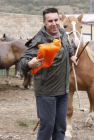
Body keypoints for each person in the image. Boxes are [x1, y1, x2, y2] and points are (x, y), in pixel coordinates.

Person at [19, 8, 77, 140]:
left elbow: (66, 46)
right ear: (44, 22)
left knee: (60, 126)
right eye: (50, 21)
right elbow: (22, 61)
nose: (54, 23)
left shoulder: (62, 32)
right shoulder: (39, 40)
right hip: (46, 92)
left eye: (56, 20)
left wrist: (71, 55)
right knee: (48, 126)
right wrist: (29, 64)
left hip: (63, 91)